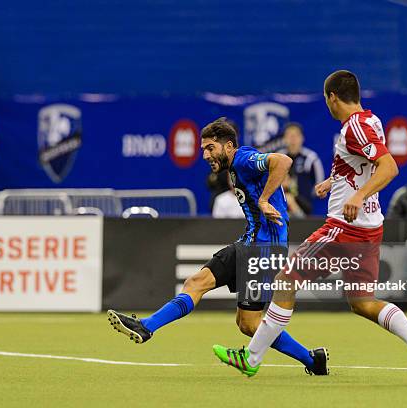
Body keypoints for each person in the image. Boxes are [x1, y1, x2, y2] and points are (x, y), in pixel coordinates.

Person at [213, 70, 407, 385]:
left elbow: (389, 167)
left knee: (286, 278)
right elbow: (363, 165)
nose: (327, 105)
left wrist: (359, 195)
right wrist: (333, 182)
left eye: (326, 100)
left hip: (345, 228)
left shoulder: (354, 128)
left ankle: (251, 358)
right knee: (362, 302)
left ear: (332, 97)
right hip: (370, 228)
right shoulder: (371, 121)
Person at [107, 117, 329, 375]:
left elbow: (283, 161)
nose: (205, 154)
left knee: (248, 324)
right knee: (196, 282)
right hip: (248, 243)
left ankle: (312, 360)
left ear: (229, 146)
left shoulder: (244, 159)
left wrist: (266, 199)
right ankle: (146, 326)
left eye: (210, 148)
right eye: (203, 149)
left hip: (264, 250)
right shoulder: (234, 166)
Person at [261, 122, 325, 214]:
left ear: (302, 138)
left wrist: (303, 197)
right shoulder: (278, 156)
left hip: (304, 204)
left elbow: (320, 183)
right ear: (284, 139)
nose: (293, 139)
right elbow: (268, 179)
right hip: (279, 203)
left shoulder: (311, 158)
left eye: (296, 136)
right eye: (290, 136)